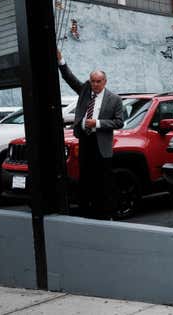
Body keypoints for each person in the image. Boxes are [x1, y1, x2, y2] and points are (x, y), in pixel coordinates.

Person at [57, 50, 123, 219]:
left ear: (105, 82)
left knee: (103, 181)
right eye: (93, 81)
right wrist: (61, 61)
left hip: (102, 144)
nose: (95, 84)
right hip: (86, 140)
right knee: (85, 178)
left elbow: (119, 122)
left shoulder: (114, 99)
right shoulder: (85, 91)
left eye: (98, 81)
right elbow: (70, 79)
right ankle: (87, 213)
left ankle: (106, 213)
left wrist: (98, 123)